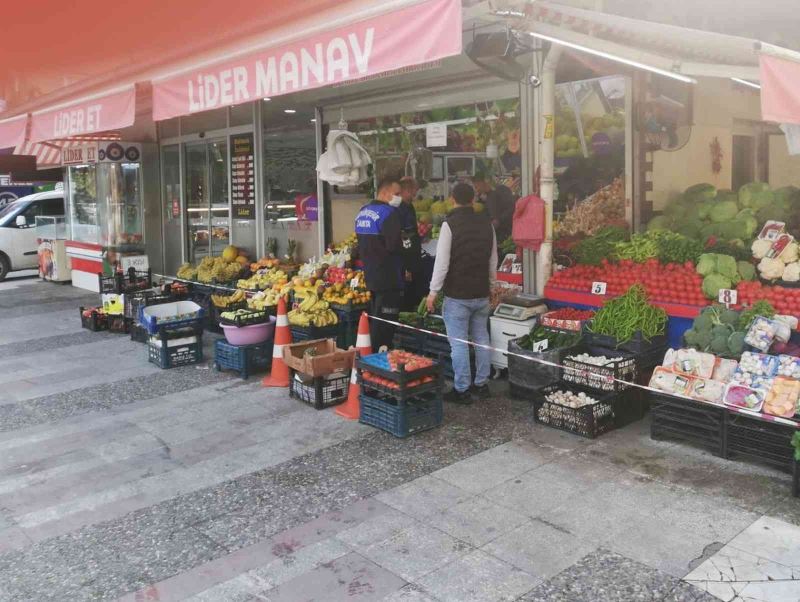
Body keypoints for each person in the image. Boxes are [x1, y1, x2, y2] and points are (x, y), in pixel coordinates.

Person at [426, 182, 497, 404]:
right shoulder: (487, 224)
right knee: (481, 338)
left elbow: (442, 263)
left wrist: (432, 292)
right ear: (473, 200)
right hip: (481, 292)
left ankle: (462, 389)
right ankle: (482, 384)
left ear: (452, 199)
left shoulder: (450, 225)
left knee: (458, 343)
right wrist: (492, 285)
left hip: (457, 295)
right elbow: (492, 258)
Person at [354, 176, 404, 350]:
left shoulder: (362, 212)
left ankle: (368, 352)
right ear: (384, 192)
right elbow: (395, 246)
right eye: (396, 193)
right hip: (389, 277)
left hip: (372, 276)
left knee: (375, 317)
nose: (400, 197)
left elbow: (359, 244)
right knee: (385, 324)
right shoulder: (389, 214)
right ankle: (377, 357)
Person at [397, 176, 422, 311]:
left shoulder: (409, 205)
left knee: (414, 286)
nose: (416, 194)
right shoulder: (398, 208)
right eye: (414, 190)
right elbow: (401, 236)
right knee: (407, 287)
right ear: (407, 190)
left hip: (414, 251)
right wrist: (406, 266)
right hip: (407, 254)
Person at [473, 176, 515, 244]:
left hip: (504, 232)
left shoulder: (501, 191)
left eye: (476, 187)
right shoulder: (487, 197)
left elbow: (511, 208)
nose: (476, 190)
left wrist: (499, 220)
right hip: (496, 233)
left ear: (482, 183)